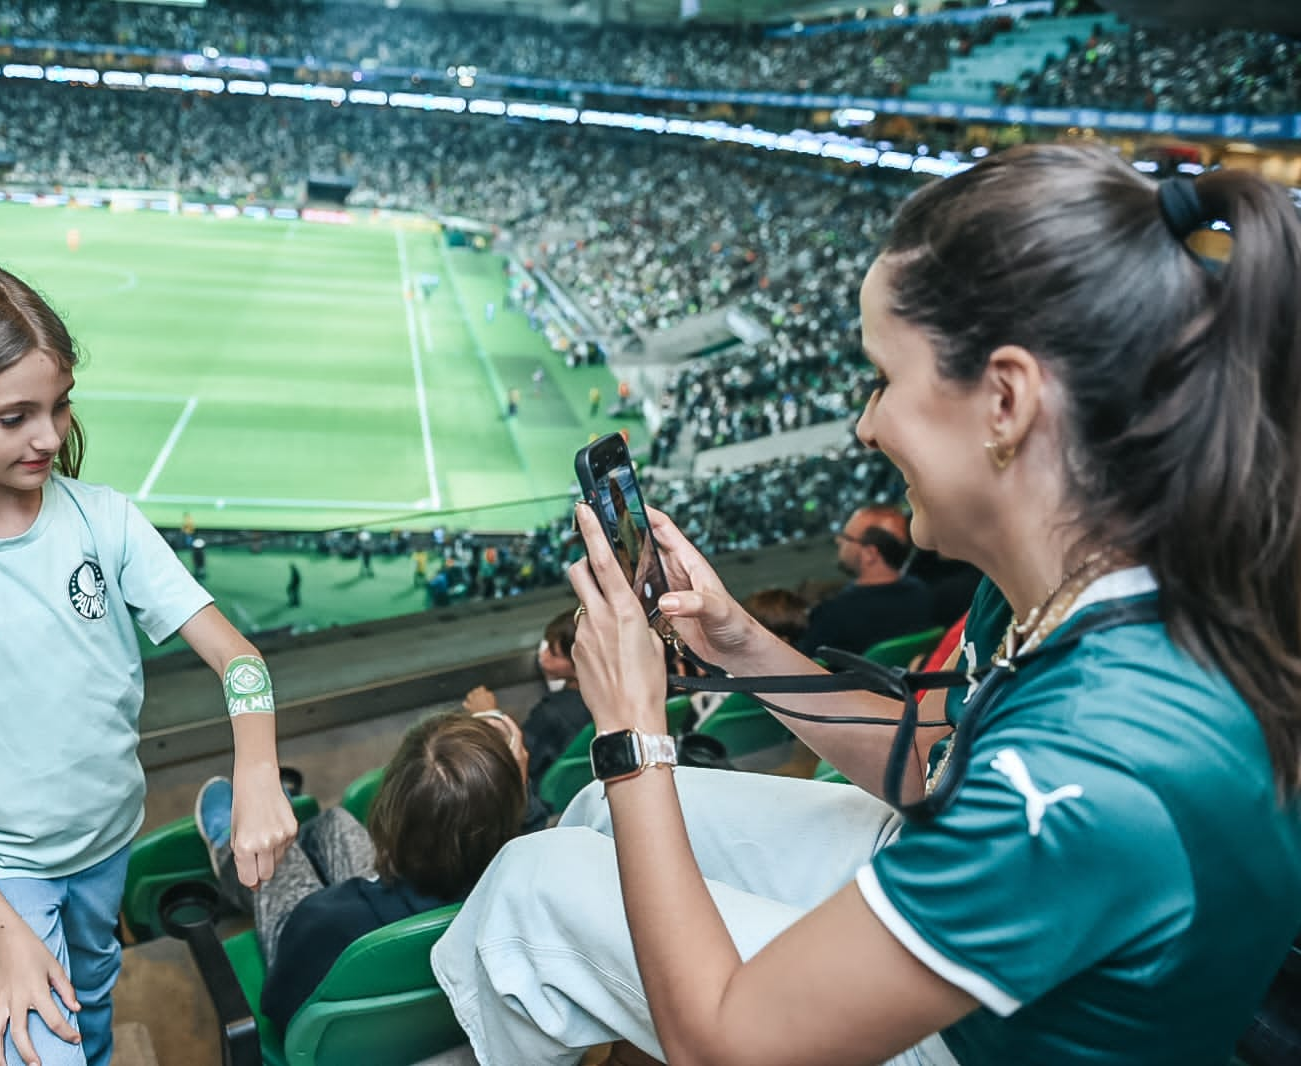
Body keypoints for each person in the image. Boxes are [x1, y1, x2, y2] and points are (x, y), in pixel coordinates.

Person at [432, 144, 1301, 1065]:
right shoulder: (1091, 580)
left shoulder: (1092, 764)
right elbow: (938, 765)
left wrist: (632, 734)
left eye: (884, 377)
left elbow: (723, 1044)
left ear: (1004, 400)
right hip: (1018, 964)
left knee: (538, 879)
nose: (865, 422)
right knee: (604, 820)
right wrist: (739, 646)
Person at [0, 261, 298, 1066]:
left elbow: (239, 660)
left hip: (106, 840)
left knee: (94, 1000)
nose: (48, 436)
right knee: (46, 1048)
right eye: (13, 417)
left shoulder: (104, 521)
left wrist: (255, 770)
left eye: (58, 405)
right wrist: (1, 932)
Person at [196, 712, 526, 1037]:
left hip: (337, 1001)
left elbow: (279, 1006)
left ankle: (229, 848)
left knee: (282, 858)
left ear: (385, 814)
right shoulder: (526, 878)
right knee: (334, 824)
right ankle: (285, 818)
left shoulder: (321, 918)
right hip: (433, 911)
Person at [464, 607, 587, 803]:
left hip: (542, 798)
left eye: (554, 654)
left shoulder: (551, 713)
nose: (543, 655)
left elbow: (515, 760)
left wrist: (490, 714)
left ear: (580, 663)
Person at [798, 504, 934, 658]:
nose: (838, 540)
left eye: (846, 537)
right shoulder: (922, 593)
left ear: (870, 554)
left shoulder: (833, 615)